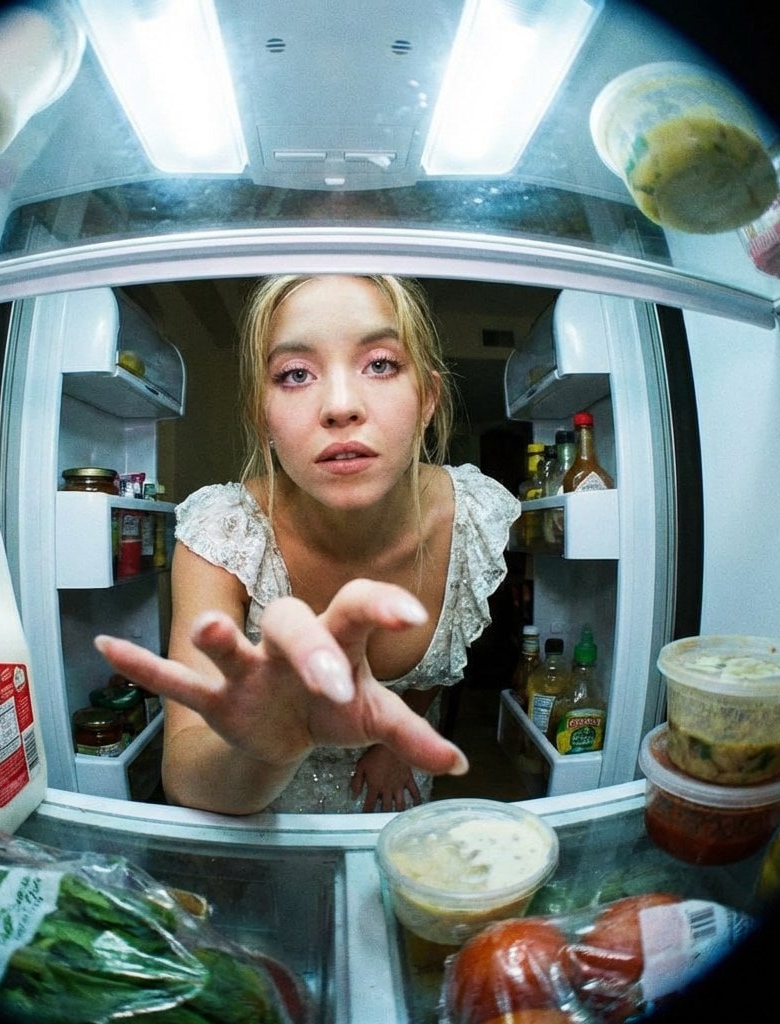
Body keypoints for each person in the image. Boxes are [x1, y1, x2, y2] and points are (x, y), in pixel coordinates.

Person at [96, 274, 519, 814]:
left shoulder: (474, 517)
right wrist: (269, 748)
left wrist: (396, 739)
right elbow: (186, 776)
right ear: (263, 417)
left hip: (397, 781)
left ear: (428, 399)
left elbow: (444, 664)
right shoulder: (222, 533)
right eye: (296, 374)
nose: (340, 406)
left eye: (380, 364)